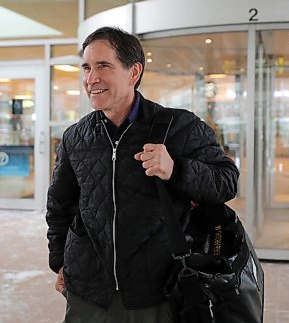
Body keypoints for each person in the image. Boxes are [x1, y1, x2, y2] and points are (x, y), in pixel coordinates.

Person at [46, 26, 239, 323]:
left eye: (103, 66)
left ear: (133, 72)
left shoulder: (180, 126)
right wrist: (59, 261)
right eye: (86, 68)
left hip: (157, 291)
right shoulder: (76, 137)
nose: (91, 78)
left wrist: (176, 169)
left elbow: (226, 182)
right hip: (89, 292)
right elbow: (60, 206)